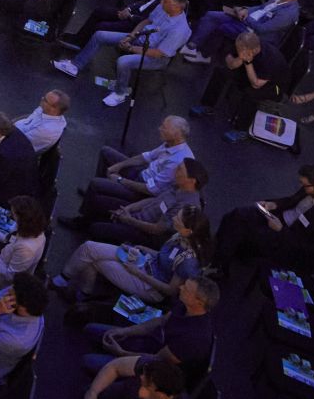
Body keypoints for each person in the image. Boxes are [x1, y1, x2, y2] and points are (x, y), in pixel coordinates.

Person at [55, 0, 191, 109]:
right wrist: (130, 36)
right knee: (100, 35)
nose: (161, 3)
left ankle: (120, 92)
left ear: (176, 7)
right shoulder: (163, 8)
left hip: (155, 56)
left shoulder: (180, 30)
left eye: (165, 1)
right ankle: (76, 65)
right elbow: (146, 22)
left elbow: (158, 53)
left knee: (123, 61)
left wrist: (131, 48)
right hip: (139, 38)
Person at [56, 207, 212, 305]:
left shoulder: (188, 262)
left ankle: (81, 293)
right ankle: (66, 281)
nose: (173, 218)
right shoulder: (179, 236)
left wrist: (137, 273)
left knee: (94, 262)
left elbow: (169, 291)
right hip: (144, 263)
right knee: (90, 248)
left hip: (150, 287)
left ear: (188, 231)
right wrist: (143, 249)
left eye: (177, 219)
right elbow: (164, 258)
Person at [213, 164, 314, 275]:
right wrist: (274, 204)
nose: (302, 186)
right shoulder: (310, 189)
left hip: (286, 240)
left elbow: (309, 248)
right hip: (279, 219)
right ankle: (220, 253)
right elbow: (291, 200)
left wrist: (281, 230)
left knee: (242, 228)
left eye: (304, 185)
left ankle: (219, 264)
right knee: (236, 215)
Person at [80, 276, 219, 381]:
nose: (180, 287)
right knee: (90, 329)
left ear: (198, 302)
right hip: (151, 343)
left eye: (186, 288)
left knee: (87, 361)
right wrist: (126, 331)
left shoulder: (194, 338)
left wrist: (120, 353)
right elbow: (160, 321)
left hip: (156, 370)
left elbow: (157, 360)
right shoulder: (185, 305)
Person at [67, 157, 209, 248]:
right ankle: (81, 223)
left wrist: (129, 220)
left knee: (97, 228)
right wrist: (128, 209)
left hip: (145, 234)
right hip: (136, 215)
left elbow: (157, 229)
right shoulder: (177, 185)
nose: (176, 171)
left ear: (192, 181)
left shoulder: (185, 207)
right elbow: (154, 200)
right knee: (99, 202)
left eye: (180, 170)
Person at [75, 115, 194, 210]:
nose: (159, 129)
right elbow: (145, 157)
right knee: (106, 152)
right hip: (142, 174)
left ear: (177, 134)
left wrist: (120, 180)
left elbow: (150, 190)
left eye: (164, 128)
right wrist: (118, 166)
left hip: (141, 191)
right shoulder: (169, 143)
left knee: (95, 184)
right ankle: (96, 193)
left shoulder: (177, 161)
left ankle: (82, 219)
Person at [182, 0, 301, 63]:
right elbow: (260, 7)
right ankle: (192, 45)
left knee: (223, 26)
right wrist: (245, 10)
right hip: (246, 19)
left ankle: (205, 55)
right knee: (212, 15)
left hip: (254, 35)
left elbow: (262, 29)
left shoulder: (288, 14)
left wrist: (245, 17)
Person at [193, 30, 288, 125]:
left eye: (241, 51)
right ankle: (208, 105)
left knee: (252, 93)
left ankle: (241, 127)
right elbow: (230, 64)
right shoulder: (241, 44)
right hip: (252, 71)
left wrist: (248, 62)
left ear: (254, 50)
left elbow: (256, 84)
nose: (238, 51)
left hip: (273, 86)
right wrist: (241, 58)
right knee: (221, 72)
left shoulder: (270, 59)